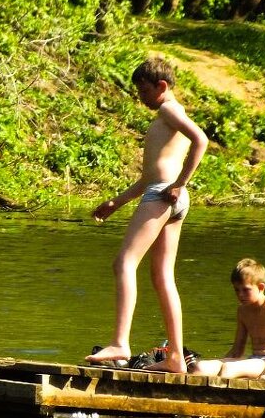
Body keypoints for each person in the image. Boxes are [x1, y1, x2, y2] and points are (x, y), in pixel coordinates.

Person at [87, 56, 209, 372]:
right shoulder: (167, 117)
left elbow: (201, 140)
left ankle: (120, 343)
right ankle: (175, 358)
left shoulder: (169, 109)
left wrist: (181, 183)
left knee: (124, 263)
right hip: (167, 195)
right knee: (162, 277)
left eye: (143, 91)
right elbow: (147, 178)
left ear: (162, 86)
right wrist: (117, 202)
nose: (140, 98)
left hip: (165, 194)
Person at [192, 258, 265, 381]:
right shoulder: (243, 310)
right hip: (254, 360)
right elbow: (237, 351)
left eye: (246, 290)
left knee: (229, 369)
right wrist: (220, 363)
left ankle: (219, 398)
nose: (240, 295)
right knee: (200, 367)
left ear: (261, 287)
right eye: (237, 290)